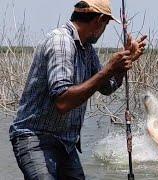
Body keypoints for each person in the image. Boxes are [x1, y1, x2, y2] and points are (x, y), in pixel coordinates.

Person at [8, 0, 147, 179]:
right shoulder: (61, 42)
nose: (104, 31)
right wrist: (109, 69)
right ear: (99, 20)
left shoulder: (87, 49)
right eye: (106, 24)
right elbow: (63, 102)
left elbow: (106, 87)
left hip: (66, 142)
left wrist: (121, 66)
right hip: (35, 138)